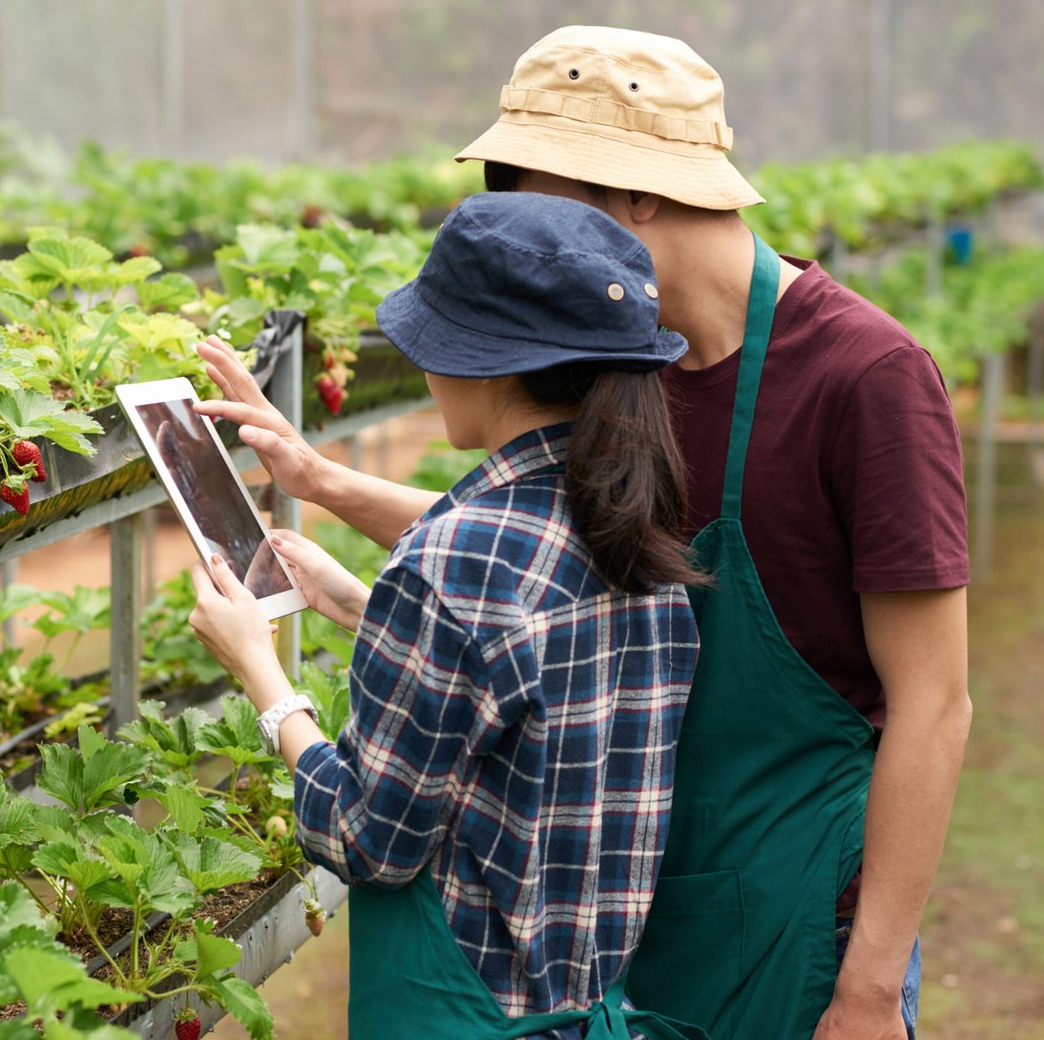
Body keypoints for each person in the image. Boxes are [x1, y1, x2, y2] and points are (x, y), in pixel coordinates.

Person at [197, 26, 971, 1040]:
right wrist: (321, 482)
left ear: (637, 192)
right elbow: (549, 566)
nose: (519, 234)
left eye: (528, 197)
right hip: (615, 910)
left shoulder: (862, 376)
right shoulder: (617, 362)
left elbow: (935, 702)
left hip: (794, 919)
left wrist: (868, 987)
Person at [188, 191, 710, 1039]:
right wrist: (361, 601)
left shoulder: (453, 562)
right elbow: (521, 695)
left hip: (464, 1014)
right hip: (591, 1009)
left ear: (490, 363)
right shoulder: (636, 533)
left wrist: (263, 676)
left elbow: (366, 839)